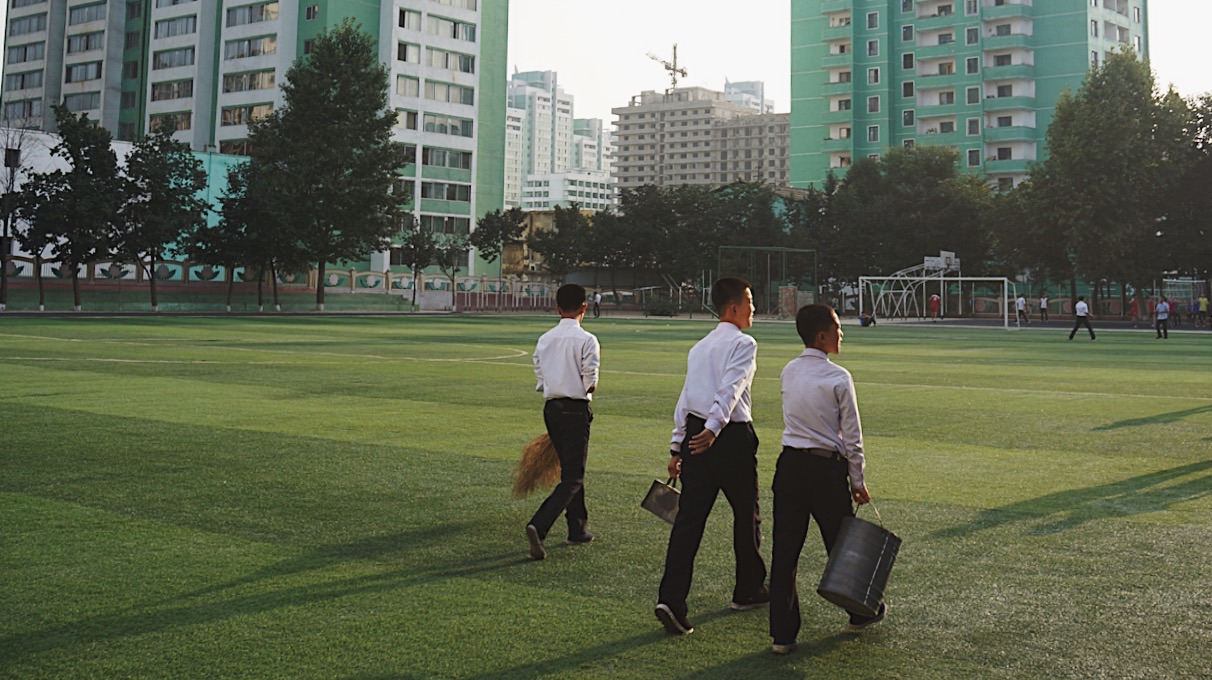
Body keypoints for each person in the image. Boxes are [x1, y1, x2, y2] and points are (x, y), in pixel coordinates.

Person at [655, 276, 768, 636]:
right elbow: (732, 387)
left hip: (695, 434)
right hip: (728, 437)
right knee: (745, 515)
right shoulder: (744, 343)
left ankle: (671, 598)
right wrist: (715, 428)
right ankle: (747, 588)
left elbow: (685, 398)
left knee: (689, 521)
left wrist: (678, 446)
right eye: (750, 301)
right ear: (733, 308)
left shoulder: (699, 347)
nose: (754, 308)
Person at [769, 304, 884, 655]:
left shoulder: (789, 371)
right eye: (837, 327)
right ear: (822, 336)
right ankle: (859, 611)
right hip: (825, 469)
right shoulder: (838, 377)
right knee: (841, 546)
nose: (841, 332)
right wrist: (857, 480)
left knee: (785, 551)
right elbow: (852, 435)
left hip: (789, 465)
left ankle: (782, 635)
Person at [525, 283, 600, 560]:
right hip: (575, 410)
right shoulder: (587, 339)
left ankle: (577, 528)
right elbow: (590, 381)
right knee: (573, 476)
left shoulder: (545, 339)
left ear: (557, 308)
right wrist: (585, 386)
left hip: (551, 409)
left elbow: (539, 372)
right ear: (584, 307)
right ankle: (539, 525)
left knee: (571, 468)